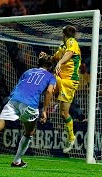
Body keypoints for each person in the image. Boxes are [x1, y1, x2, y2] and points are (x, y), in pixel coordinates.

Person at [0, 54, 56, 168]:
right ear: (49, 66)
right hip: (30, 103)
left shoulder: (29, 71)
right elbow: (49, 92)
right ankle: (17, 161)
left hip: (14, 99)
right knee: (29, 132)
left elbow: (20, 85)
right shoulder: (51, 76)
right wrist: (45, 110)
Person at [40, 25, 81, 153]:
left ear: (64, 34)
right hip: (60, 79)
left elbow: (68, 54)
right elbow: (54, 58)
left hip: (69, 81)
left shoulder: (72, 42)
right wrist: (46, 56)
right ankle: (44, 110)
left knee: (64, 113)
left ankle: (71, 137)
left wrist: (59, 63)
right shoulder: (62, 47)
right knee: (47, 83)